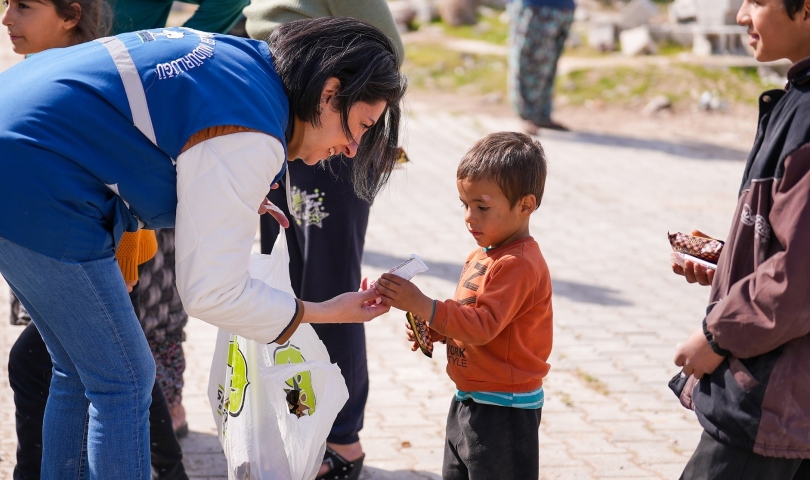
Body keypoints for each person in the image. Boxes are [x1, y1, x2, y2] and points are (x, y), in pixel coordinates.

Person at [0, 16, 404, 478]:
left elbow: (166, 128)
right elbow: (212, 293)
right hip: (32, 173)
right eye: (360, 126)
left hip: (16, 139)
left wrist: (223, 200)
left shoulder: (249, 67)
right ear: (330, 94)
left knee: (81, 371)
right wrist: (326, 310)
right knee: (126, 382)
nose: (353, 148)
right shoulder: (251, 131)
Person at [1, 1, 188, 477]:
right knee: (104, 372)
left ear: (70, 15)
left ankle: (166, 467)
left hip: (108, 254)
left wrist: (122, 266)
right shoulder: (42, 70)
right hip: (66, 242)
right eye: (6, 5)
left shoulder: (99, 76)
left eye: (23, 7)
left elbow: (130, 184)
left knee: (115, 376)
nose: (7, 20)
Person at [244, 1, 404, 478]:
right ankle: (301, 422)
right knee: (281, 280)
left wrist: (332, 103)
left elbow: (386, 50)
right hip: (286, 115)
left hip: (329, 120)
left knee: (330, 286)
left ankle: (342, 440)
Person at [672, 0, 810, 477]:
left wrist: (715, 335)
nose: (740, 15)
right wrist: (732, 260)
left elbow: (798, 278)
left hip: (771, 401)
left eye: (757, 1)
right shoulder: (796, 100)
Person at [375, 132, 553, 480]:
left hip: (504, 409)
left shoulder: (518, 263)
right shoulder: (483, 255)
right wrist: (437, 330)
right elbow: (471, 317)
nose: (470, 218)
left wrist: (424, 305)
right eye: (465, 205)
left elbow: (483, 326)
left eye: (482, 207)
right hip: (469, 398)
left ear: (526, 205)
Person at [507, 0, 574, 133]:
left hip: (563, 7)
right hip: (534, 6)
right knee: (527, 62)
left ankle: (542, 115)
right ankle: (527, 116)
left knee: (549, 64)